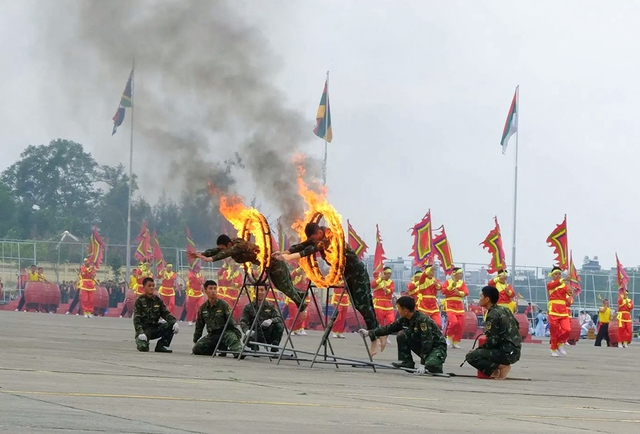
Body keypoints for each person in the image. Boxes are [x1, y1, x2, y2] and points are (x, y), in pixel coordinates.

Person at [274, 222, 384, 356]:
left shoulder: (330, 236)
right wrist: (285, 252)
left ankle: (375, 337)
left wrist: (289, 257)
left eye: (314, 238)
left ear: (319, 233)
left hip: (357, 271)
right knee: (359, 305)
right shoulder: (317, 238)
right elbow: (303, 245)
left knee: (365, 305)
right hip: (346, 273)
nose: (313, 240)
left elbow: (311, 249)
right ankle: (380, 332)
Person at [190, 235, 306, 311]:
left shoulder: (239, 246)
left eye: (223, 248)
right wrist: (201, 254)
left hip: (275, 262)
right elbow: (217, 250)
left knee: (284, 286)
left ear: (229, 245)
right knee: (283, 286)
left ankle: (300, 304)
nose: (222, 250)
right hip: (268, 265)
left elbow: (226, 253)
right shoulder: (230, 245)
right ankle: (300, 295)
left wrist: (212, 259)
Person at [358, 296, 447, 374]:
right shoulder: (404, 319)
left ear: (405, 311)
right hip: (423, 345)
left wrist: (422, 364)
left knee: (431, 366)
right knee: (402, 335)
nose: (398, 311)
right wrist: (369, 333)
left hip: (436, 347)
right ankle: (406, 361)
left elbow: (427, 342)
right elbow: (389, 328)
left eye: (398, 308)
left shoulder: (423, 320)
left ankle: (434, 364)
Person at [465, 286, 521, 380]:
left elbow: (492, 341)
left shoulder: (492, 315)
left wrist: (477, 350)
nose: (479, 299)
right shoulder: (505, 309)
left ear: (487, 299)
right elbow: (517, 326)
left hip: (506, 353)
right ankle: (495, 370)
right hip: (515, 351)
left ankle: (501, 367)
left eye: (481, 296)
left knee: (471, 357)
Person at [192, 280, 242, 356]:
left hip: (225, 333)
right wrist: (196, 340)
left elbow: (232, 322)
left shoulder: (223, 305)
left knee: (238, 352)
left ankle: (236, 351)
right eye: (210, 288)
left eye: (215, 288)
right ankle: (216, 348)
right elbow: (199, 326)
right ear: (205, 291)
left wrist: (236, 335)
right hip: (213, 335)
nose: (213, 291)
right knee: (197, 349)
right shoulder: (203, 308)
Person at [133, 277, 178, 353]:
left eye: (153, 286)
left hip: (155, 328)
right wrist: (140, 332)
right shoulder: (139, 301)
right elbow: (136, 319)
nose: (152, 287)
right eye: (149, 285)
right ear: (144, 287)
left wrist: (174, 322)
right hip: (144, 330)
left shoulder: (158, 300)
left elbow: (165, 313)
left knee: (171, 325)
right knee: (143, 348)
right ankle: (143, 342)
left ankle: (161, 345)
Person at [240, 285, 284, 352]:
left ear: (265, 291)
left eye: (262, 290)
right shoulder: (248, 307)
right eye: (257, 290)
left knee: (279, 326)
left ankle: (275, 347)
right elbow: (243, 321)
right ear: (254, 291)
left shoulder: (270, 306)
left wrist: (271, 320)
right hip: (254, 333)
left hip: (267, 334)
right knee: (248, 340)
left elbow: (279, 318)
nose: (260, 292)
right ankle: (254, 347)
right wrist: (247, 331)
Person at [546, 266, 572, 357]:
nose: (558, 275)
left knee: (567, 329)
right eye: (556, 274)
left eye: (559, 274)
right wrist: (564, 279)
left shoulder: (564, 285)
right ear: (552, 275)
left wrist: (570, 290)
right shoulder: (550, 284)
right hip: (553, 309)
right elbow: (555, 284)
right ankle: (553, 348)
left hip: (563, 310)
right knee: (554, 331)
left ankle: (560, 343)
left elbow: (569, 294)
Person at [441, 267, 469, 349]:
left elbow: (466, 292)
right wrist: (450, 287)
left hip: (459, 306)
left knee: (460, 324)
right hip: (450, 304)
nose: (461, 275)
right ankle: (449, 337)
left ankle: (455, 341)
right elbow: (443, 291)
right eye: (460, 273)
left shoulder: (462, 283)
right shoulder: (447, 282)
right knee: (453, 322)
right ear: (455, 274)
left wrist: (459, 292)